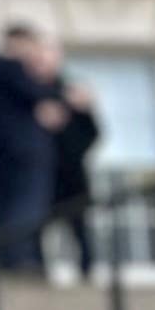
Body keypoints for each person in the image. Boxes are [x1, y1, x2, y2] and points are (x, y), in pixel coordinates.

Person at [0, 22, 64, 274]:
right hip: (21, 151)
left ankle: (2, 257)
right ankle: (19, 258)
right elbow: (40, 95)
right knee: (26, 204)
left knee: (2, 206)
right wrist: (56, 88)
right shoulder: (12, 69)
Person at [51, 78, 104, 282]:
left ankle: (86, 271)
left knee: (80, 230)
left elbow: (91, 138)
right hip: (48, 183)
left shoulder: (80, 119)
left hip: (74, 185)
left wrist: (84, 109)